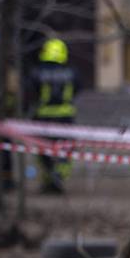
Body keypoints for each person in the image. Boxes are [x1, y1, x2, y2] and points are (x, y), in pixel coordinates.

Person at [28, 37, 78, 194]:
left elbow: (31, 92)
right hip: (66, 117)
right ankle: (59, 175)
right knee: (66, 149)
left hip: (43, 117)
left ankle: (49, 178)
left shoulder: (37, 72)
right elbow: (77, 89)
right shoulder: (71, 72)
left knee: (43, 149)